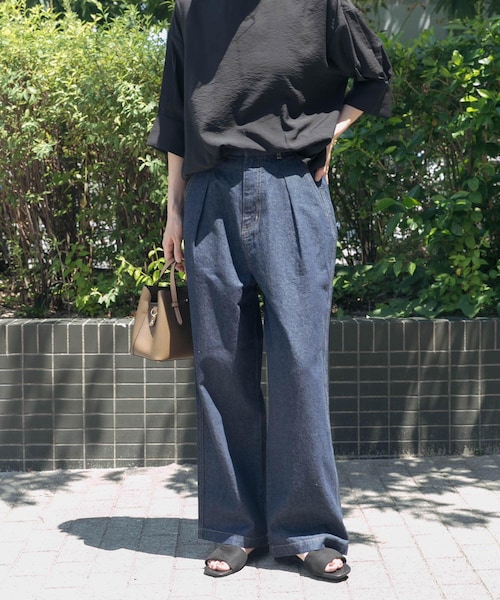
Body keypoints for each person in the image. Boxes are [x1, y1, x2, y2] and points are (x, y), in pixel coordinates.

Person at [147, 0, 392, 582]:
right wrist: (174, 209)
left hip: (292, 187)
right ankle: (237, 527)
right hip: (210, 194)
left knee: (299, 364)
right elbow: (176, 113)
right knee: (221, 367)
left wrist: (331, 131)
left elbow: (375, 75)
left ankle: (308, 531)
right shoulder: (192, 9)